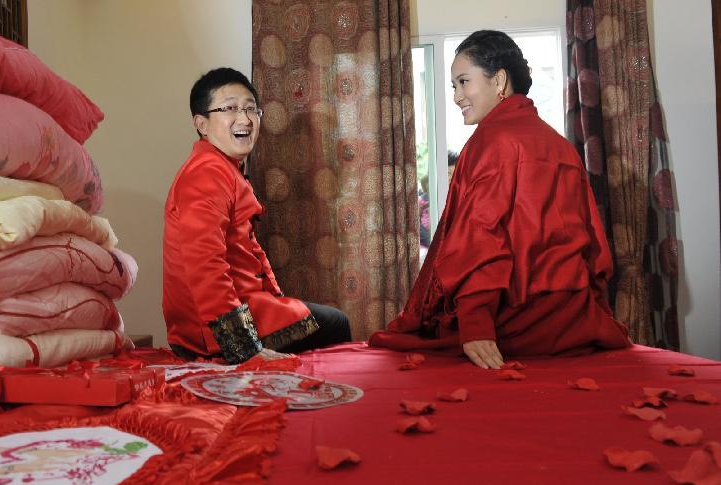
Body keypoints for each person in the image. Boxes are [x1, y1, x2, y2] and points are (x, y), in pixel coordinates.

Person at [370, 30, 630, 369]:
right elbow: (592, 247)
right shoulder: (561, 146)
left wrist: (476, 324)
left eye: (464, 82)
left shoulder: (490, 142)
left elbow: (480, 239)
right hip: (574, 321)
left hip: (515, 324)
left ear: (500, 81)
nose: (457, 96)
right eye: (454, 86)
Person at [163, 67, 352, 364]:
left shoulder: (221, 168)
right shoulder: (206, 174)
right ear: (201, 123)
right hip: (214, 332)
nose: (245, 119)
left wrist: (277, 300)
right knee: (337, 324)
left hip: (248, 306)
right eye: (230, 109)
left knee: (327, 320)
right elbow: (205, 265)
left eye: (251, 109)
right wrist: (243, 347)